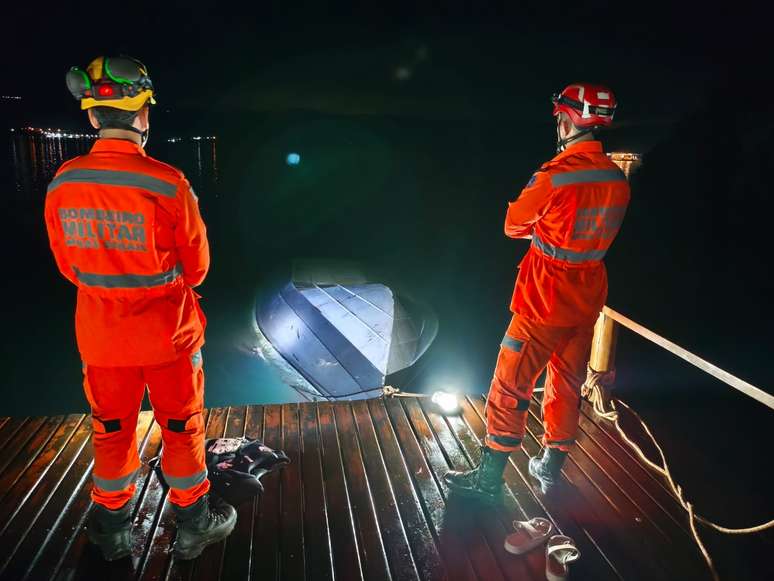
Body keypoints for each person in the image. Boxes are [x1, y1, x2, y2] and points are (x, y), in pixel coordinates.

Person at [44, 56, 236, 560]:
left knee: (110, 430)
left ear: (92, 115)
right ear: (144, 114)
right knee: (181, 427)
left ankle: (111, 529)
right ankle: (194, 524)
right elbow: (198, 269)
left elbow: (67, 265)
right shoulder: (168, 183)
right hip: (168, 335)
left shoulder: (63, 183)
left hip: (101, 337)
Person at [445, 83, 631, 502]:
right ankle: (551, 465)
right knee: (567, 382)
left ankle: (489, 480)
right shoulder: (617, 179)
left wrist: (543, 228)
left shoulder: (555, 176)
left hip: (543, 298)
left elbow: (513, 225)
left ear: (567, 122)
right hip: (587, 298)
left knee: (510, 383)